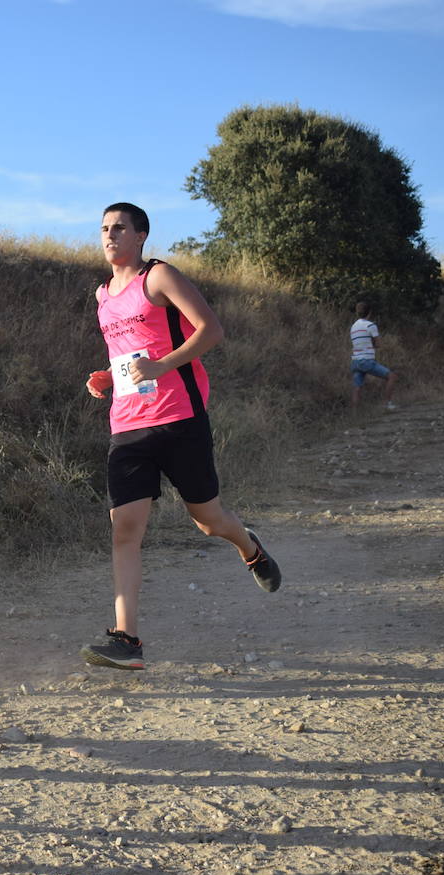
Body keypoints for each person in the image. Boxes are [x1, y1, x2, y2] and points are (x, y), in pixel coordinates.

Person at [81, 203, 282, 670]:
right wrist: (111, 378)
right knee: (124, 532)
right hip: (128, 426)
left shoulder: (159, 277)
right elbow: (130, 355)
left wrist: (164, 366)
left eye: (119, 229)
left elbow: (212, 330)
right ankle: (127, 641)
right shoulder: (102, 294)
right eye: (104, 229)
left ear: (141, 236)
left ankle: (249, 548)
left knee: (207, 519)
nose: (110, 236)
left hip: (179, 417)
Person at [349, 302, 397, 412]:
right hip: (367, 361)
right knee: (392, 376)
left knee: (357, 387)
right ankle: (388, 404)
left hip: (355, 361)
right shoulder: (370, 325)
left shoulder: (353, 327)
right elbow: (378, 344)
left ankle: (354, 413)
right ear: (369, 312)